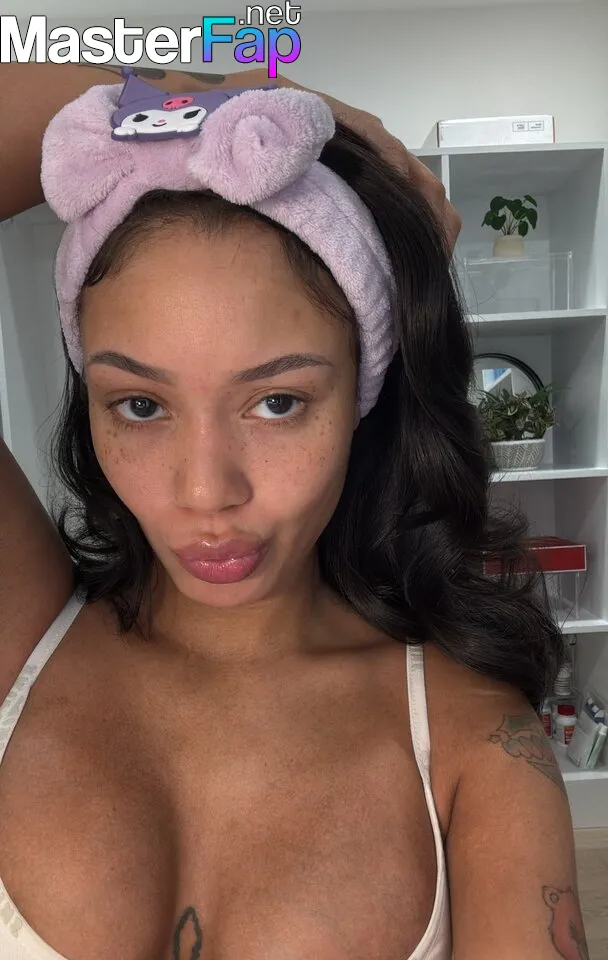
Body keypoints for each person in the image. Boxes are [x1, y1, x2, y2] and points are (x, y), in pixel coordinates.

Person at [0, 62, 588, 960]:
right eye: (141, 405)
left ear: (362, 397)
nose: (206, 492)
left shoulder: (471, 744)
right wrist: (208, 98)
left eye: (277, 402)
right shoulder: (21, 637)